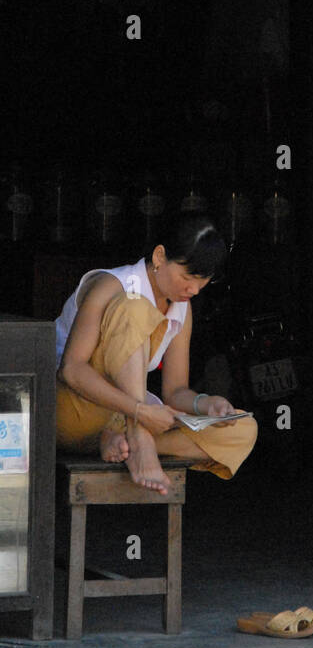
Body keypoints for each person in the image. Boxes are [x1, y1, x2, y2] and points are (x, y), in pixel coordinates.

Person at [55, 212, 257, 495]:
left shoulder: (181, 306)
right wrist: (139, 413)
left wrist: (206, 403)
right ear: (160, 256)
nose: (193, 290)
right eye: (187, 277)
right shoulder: (113, 286)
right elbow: (71, 370)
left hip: (119, 418)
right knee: (135, 307)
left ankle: (118, 440)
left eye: (203, 282)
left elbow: (175, 391)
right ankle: (138, 440)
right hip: (73, 410)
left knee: (242, 428)